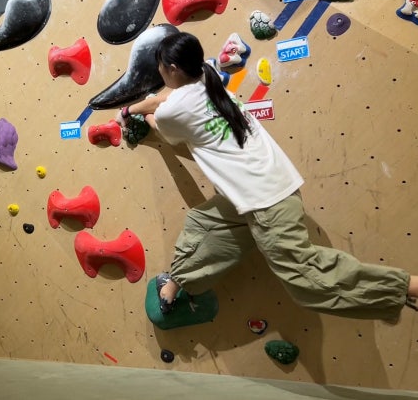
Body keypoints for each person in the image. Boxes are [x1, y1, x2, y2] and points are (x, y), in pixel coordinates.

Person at [116, 31, 418, 321]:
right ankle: (174, 285)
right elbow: (163, 100)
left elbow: (160, 119)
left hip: (264, 199)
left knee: (307, 280)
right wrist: (129, 110)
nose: (160, 73)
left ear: (171, 69)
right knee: (205, 224)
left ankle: (409, 287)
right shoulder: (208, 74)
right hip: (261, 188)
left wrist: (135, 115)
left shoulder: (174, 111)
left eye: (160, 67)